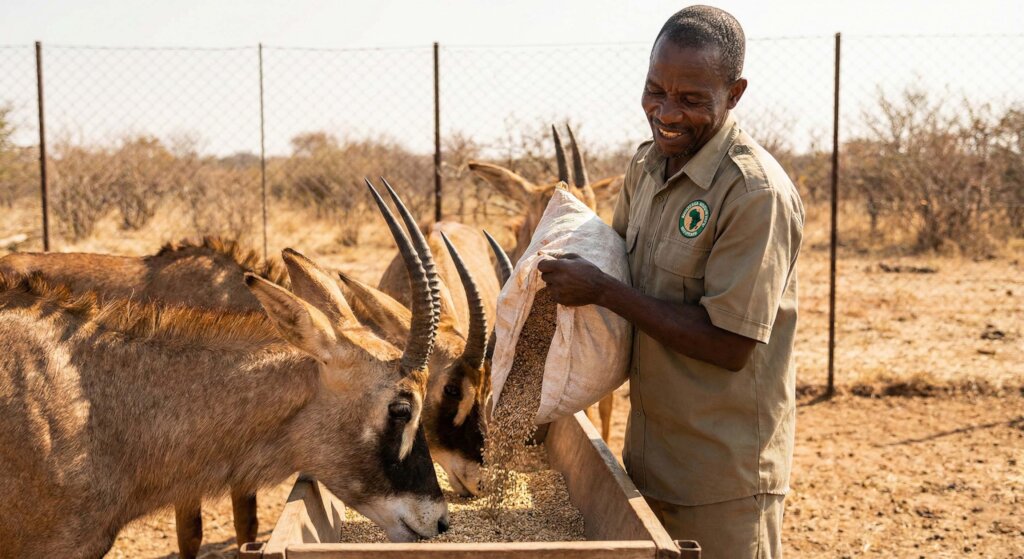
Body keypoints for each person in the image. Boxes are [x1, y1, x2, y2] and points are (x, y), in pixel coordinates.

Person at [537, 5, 804, 558]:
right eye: (655, 90)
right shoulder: (647, 167)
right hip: (647, 456)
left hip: (721, 478)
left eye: (690, 99)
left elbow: (729, 345)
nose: (666, 112)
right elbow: (616, 271)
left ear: (734, 93)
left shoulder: (755, 194)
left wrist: (604, 292)